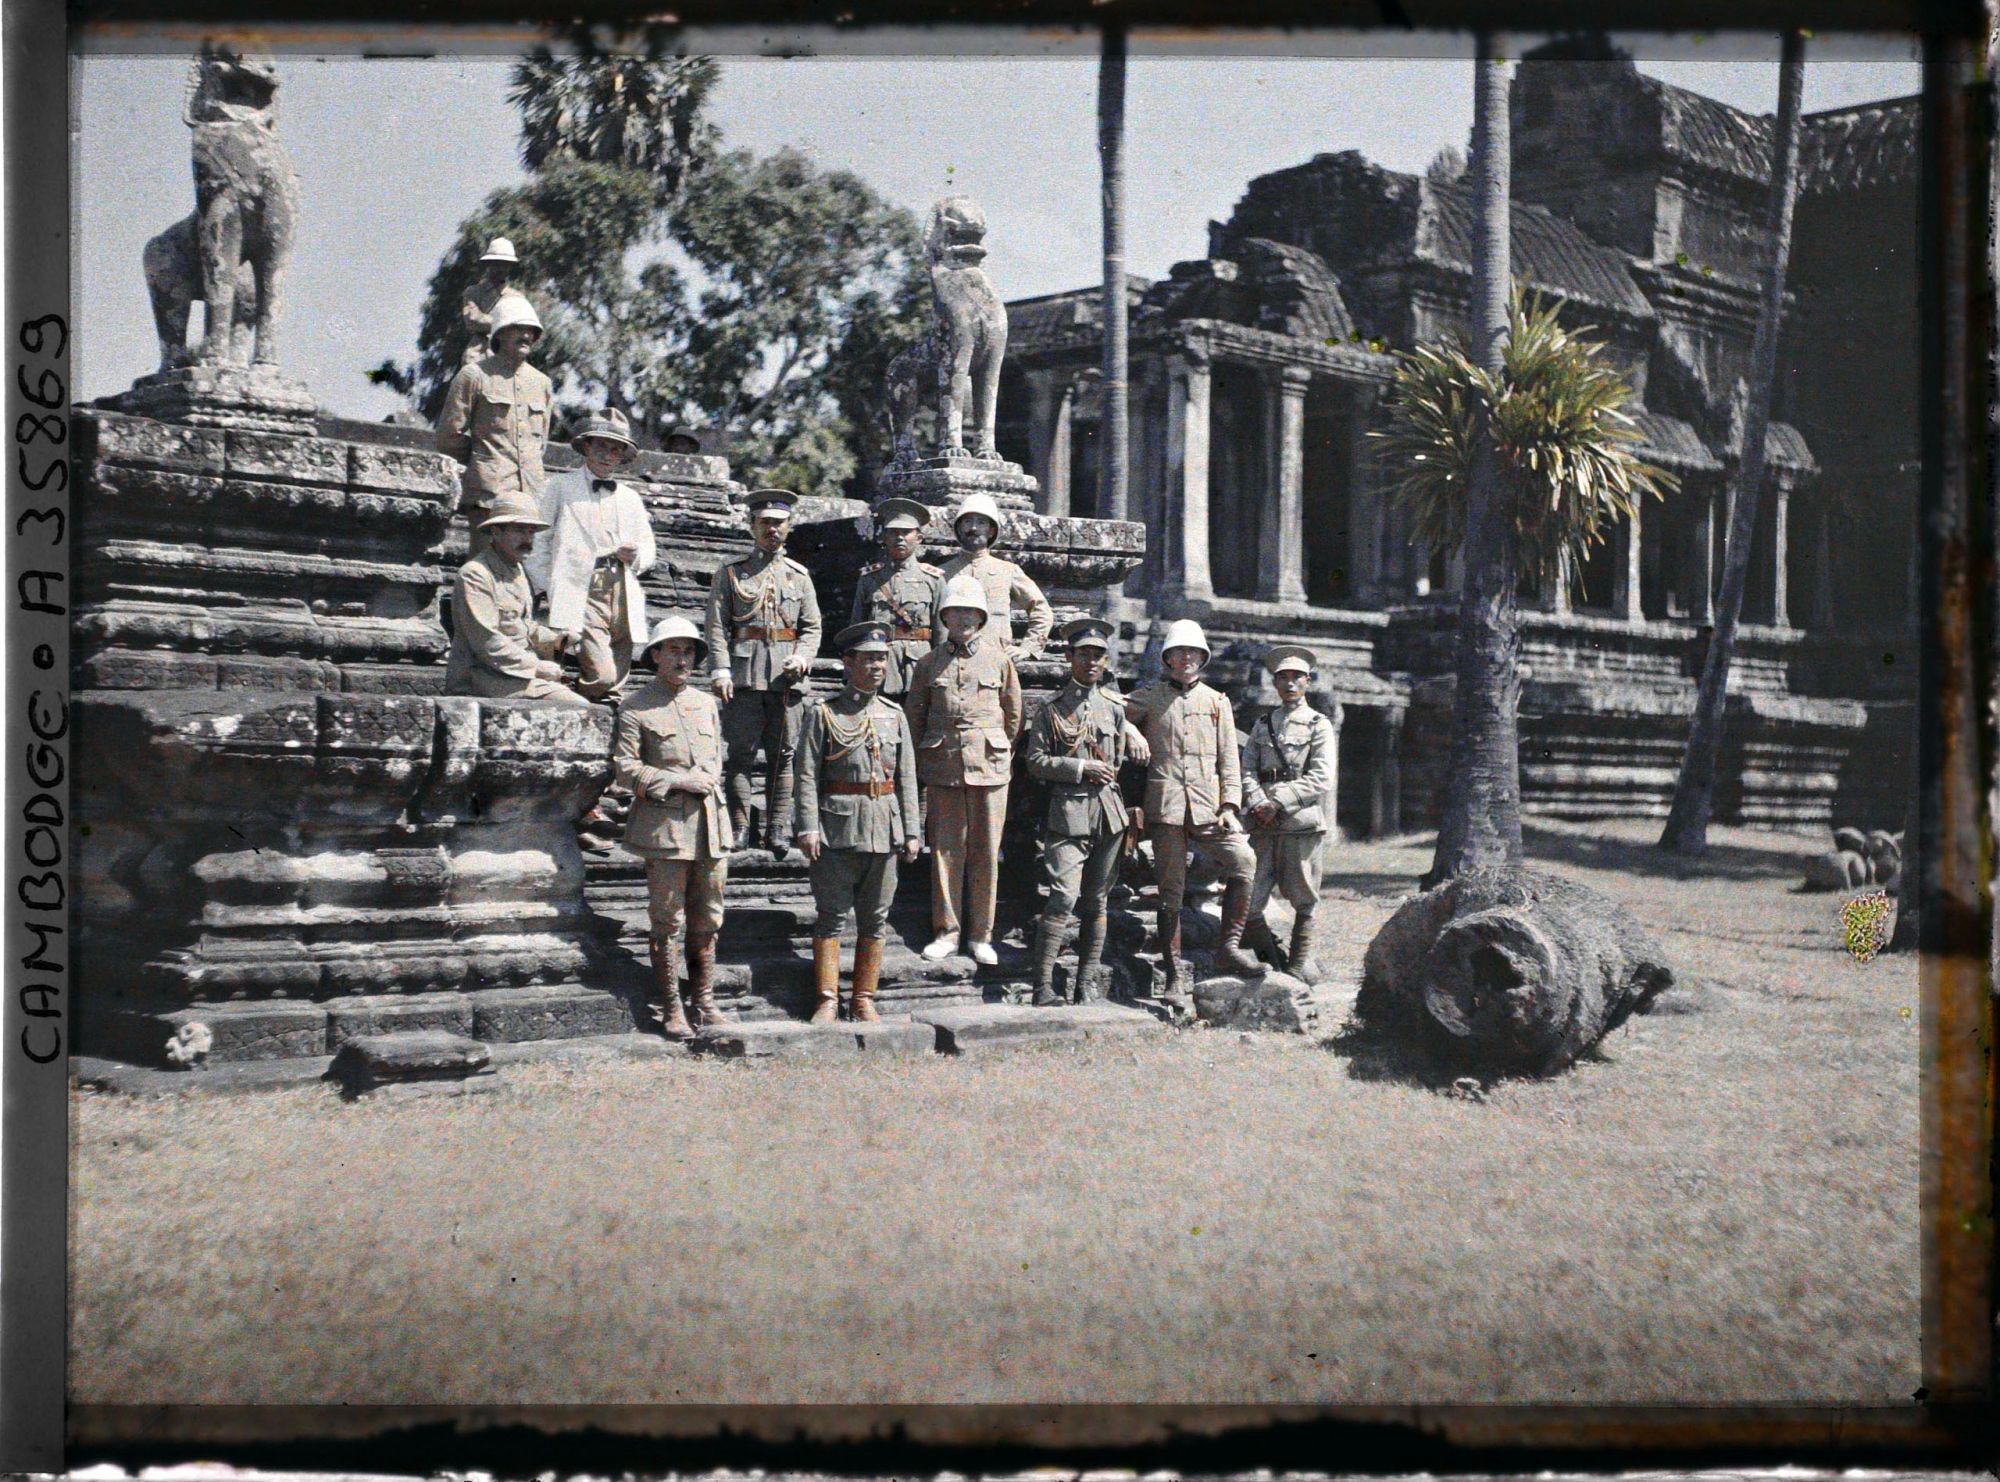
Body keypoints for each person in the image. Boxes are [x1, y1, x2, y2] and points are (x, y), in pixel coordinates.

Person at [1124, 618, 1264, 999]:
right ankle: (1173, 976)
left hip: (1208, 809)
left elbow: (1229, 761)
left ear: (1202, 658)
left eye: (1193, 652)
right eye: (1179, 652)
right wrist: (1132, 730)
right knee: (1170, 890)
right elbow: (1110, 712)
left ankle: (1228, 948)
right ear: (1167, 658)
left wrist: (1230, 805)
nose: (1186, 658)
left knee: (1244, 861)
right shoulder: (1151, 696)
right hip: (1166, 808)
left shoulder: (1217, 702)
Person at [795, 622, 923, 1024]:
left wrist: (912, 830)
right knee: (831, 916)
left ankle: (864, 998)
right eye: (868, 659)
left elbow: (906, 777)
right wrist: (808, 826)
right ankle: (827, 999)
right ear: (847, 663)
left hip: (885, 829)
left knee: (876, 918)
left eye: (882, 659)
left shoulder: (893, 715)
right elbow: (806, 775)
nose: (877, 667)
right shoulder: (824, 713)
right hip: (836, 830)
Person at [613, 615, 734, 1037]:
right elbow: (625, 768)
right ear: (655, 656)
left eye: (689, 652)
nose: (683, 660)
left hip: (710, 827)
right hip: (665, 828)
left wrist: (708, 775)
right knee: (668, 920)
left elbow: (715, 758)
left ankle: (704, 1001)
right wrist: (678, 781)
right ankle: (671, 1006)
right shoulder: (636, 706)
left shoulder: (706, 703)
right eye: (674, 651)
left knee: (709, 917)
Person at [1022, 617, 1151, 1006]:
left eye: (1098, 656)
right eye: (1083, 655)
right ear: (1069, 657)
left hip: (1108, 815)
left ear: (1105, 661)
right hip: (1068, 814)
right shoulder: (1051, 710)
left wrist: (1102, 773)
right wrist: (1080, 768)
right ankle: (1042, 987)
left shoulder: (1113, 709)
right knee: (1063, 897)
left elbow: (1118, 762)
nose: (1091, 662)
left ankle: (1085, 983)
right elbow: (1035, 762)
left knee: (1097, 901)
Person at [904, 574, 1023, 965]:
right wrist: (924, 758)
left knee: (986, 852)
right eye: (956, 612)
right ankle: (947, 932)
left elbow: (1013, 714)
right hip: (944, 766)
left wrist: (996, 746)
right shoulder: (929, 663)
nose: (964, 619)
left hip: (990, 767)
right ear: (945, 617)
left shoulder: (1000, 660)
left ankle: (980, 935)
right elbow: (915, 716)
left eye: (971, 612)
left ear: (982, 617)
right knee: (945, 851)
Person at [703, 489, 822, 856]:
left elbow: (812, 627)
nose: (773, 529)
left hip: (787, 679)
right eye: (766, 522)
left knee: (784, 755)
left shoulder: (799, 576)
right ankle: (740, 827)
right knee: (740, 754)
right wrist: (720, 669)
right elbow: (716, 626)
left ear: (789, 527)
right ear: (752, 525)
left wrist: (802, 658)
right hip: (743, 675)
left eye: (779, 523)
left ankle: (777, 829)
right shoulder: (731, 573)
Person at [524, 407, 656, 701]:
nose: (608, 455)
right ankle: (571, 689)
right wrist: (547, 585)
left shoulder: (630, 498)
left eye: (616, 449)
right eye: (601, 447)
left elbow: (649, 549)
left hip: (621, 587)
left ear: (622, 456)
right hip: (582, 584)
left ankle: (602, 706)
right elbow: (539, 540)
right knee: (602, 675)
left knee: (616, 678)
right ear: (586, 447)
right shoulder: (560, 486)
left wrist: (635, 555)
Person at [1241, 645, 1340, 981]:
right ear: (1275, 683)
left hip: (1299, 824)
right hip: (1262, 824)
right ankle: (1272, 965)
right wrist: (1257, 801)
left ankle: (1296, 969)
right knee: (1249, 901)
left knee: (1304, 899)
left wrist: (1278, 802)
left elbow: (1322, 776)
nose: (1289, 683)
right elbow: (1247, 769)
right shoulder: (1263, 724)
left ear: (1308, 681)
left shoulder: (1318, 725)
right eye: (1282, 677)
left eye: (1297, 677)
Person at [436, 294, 553, 561]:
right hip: (489, 498)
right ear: (500, 333)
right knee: (484, 565)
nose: (526, 335)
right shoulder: (474, 375)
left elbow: (540, 443)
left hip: (529, 497)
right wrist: (483, 464)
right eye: (518, 328)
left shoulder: (542, 383)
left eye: (531, 330)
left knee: (524, 570)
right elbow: (449, 437)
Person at [443, 494, 585, 705]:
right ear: (495, 531)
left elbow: (521, 625)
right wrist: (536, 667)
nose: (527, 539)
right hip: (483, 677)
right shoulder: (475, 574)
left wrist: (558, 640)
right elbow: (487, 640)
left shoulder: (516, 568)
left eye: (531, 531)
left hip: (516, 675)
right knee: (576, 707)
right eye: (519, 530)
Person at [930, 492, 1052, 660]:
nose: (973, 528)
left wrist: (1028, 648)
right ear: (959, 528)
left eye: (981, 522)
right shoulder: (941, 573)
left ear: (991, 531)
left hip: (995, 660)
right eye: (967, 521)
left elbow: (1041, 610)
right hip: (949, 660)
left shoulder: (1007, 571)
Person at [849, 498, 944, 701]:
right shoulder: (869, 578)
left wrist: (940, 672)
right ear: (884, 537)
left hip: (918, 664)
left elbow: (941, 632)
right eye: (893, 532)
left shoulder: (933, 579)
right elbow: (857, 627)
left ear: (919, 538)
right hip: (878, 665)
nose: (899, 538)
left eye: (906, 532)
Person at [459, 237, 519, 368]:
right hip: (478, 356)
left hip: (507, 359)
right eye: (497, 263)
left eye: (505, 264)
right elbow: (472, 320)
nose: (501, 268)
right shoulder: (473, 292)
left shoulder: (517, 298)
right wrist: (505, 323)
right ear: (489, 264)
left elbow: (520, 329)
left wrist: (488, 320)